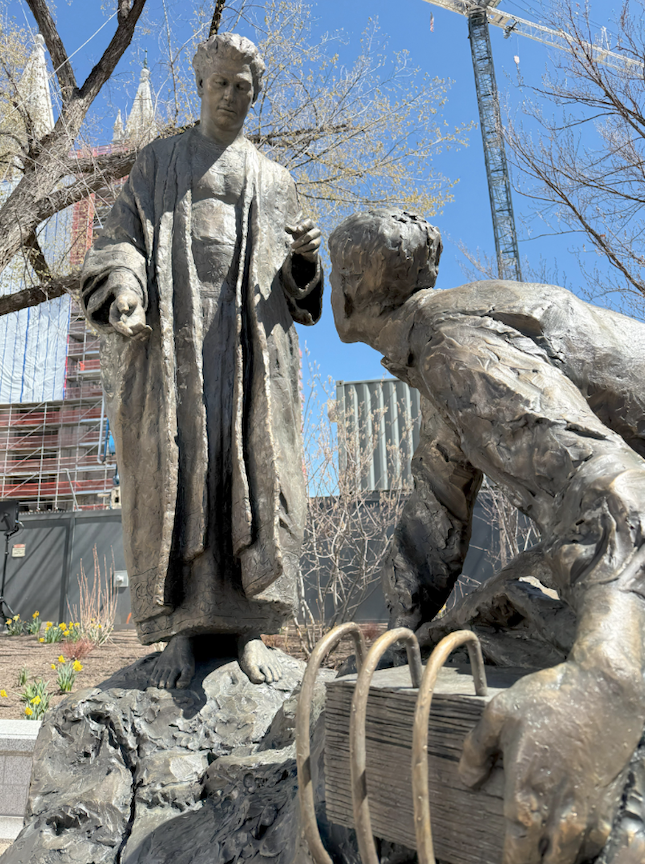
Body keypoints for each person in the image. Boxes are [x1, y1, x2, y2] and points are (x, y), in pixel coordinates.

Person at [329, 208, 645, 864]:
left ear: (348, 293)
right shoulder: (438, 347)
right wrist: (398, 635)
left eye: (333, 276)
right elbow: (433, 515)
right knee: (489, 610)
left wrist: (605, 681)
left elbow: (612, 486)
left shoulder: (453, 343)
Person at [81, 33, 322, 689]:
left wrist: (305, 261)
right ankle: (180, 633)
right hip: (174, 347)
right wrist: (125, 289)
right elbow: (119, 238)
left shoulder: (275, 180)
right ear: (200, 86)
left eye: (242, 87)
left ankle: (250, 629)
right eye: (220, 83)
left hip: (249, 352)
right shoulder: (158, 163)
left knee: (252, 475)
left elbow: (301, 295)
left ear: (254, 95)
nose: (230, 96)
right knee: (181, 476)